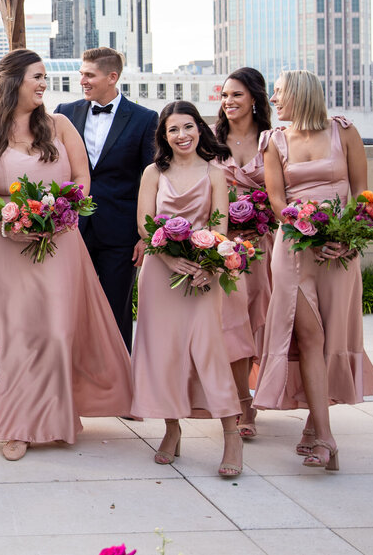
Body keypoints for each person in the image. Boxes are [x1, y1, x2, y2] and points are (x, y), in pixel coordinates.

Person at [0, 50, 133, 461]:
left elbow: (81, 178)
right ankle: (17, 425)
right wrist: (3, 220)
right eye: (36, 77)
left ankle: (58, 417)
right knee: (12, 336)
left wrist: (62, 214)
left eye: (45, 78)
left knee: (57, 331)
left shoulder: (59, 125)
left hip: (58, 241)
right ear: (12, 81)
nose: (43, 84)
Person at [254, 70, 373, 471]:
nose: (273, 101)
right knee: (309, 336)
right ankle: (326, 440)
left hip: (340, 251)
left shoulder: (343, 133)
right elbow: (276, 200)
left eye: (278, 94)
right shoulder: (273, 141)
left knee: (332, 337)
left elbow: (363, 195)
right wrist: (305, 229)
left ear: (299, 94)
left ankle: (315, 423)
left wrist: (345, 238)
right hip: (294, 247)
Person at [131, 101, 243, 478]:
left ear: (200, 129)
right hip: (160, 273)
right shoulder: (153, 173)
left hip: (202, 273)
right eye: (173, 129)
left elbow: (220, 226)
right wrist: (168, 260)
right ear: (164, 135)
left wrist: (208, 267)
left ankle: (231, 435)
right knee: (163, 353)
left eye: (188, 127)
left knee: (208, 351)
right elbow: (146, 226)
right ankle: (172, 429)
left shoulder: (214, 173)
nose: (182, 135)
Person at [55, 47, 158, 351]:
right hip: (70, 229)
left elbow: (149, 181)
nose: (82, 80)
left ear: (112, 77)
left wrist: (145, 237)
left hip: (121, 234)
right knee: (69, 310)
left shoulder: (144, 119)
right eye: (81, 74)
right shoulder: (63, 113)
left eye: (89, 75)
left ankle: (119, 386)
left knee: (116, 313)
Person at [212, 67, 274, 441]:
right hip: (227, 249)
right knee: (233, 323)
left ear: (254, 98)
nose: (229, 102)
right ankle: (242, 401)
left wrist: (264, 217)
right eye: (224, 96)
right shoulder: (212, 143)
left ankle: (265, 391)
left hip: (265, 246)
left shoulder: (274, 141)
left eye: (236, 94)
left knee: (262, 322)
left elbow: (286, 192)